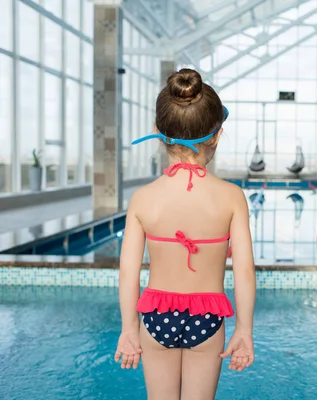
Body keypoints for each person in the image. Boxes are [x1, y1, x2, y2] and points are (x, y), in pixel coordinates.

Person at [114, 69, 256, 400]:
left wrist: (128, 329)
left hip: (155, 317)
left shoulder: (143, 198)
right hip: (207, 318)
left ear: (157, 132)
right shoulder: (232, 197)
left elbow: (128, 273)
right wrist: (245, 331)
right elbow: (245, 271)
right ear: (216, 135)